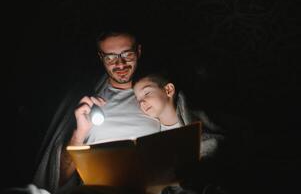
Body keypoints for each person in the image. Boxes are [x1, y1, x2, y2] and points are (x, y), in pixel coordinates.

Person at [31, 30, 226, 194]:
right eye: (110, 57)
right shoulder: (85, 100)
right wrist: (79, 132)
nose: (120, 64)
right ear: (101, 57)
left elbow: (197, 145)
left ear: (138, 51)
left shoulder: (157, 93)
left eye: (127, 54)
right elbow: (57, 180)